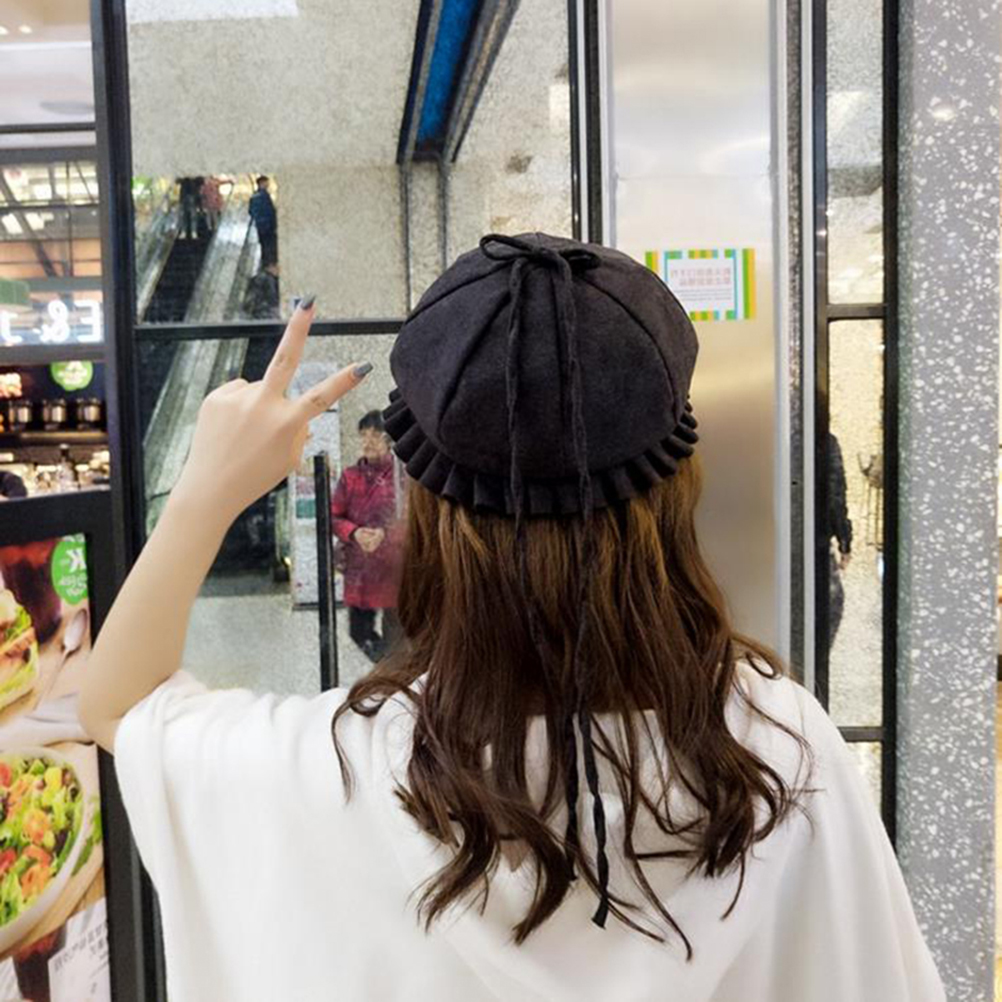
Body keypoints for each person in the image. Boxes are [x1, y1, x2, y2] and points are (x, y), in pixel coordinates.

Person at [77, 236, 944, 1001]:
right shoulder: (776, 751)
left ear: (427, 503)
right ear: (676, 483)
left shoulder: (339, 769)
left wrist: (206, 489)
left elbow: (116, 705)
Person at [331, 410, 403, 663]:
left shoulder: (402, 477)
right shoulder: (350, 477)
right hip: (361, 570)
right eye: (363, 435)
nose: (368, 441)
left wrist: (385, 534)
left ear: (389, 440)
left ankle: (394, 673)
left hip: (395, 569)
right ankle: (388, 669)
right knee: (359, 632)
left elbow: (414, 520)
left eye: (375, 435)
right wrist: (354, 532)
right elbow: (334, 516)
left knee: (398, 635)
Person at [826, 430, 853, 652]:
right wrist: (845, 541)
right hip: (815, 546)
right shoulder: (824, 441)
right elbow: (836, 495)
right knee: (831, 605)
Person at [248, 174, 277, 267]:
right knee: (269, 245)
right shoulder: (262, 196)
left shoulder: (256, 196)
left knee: (264, 245)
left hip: (261, 226)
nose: (268, 184)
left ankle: (266, 263)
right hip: (267, 225)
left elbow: (251, 211)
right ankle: (269, 264)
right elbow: (270, 211)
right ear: (261, 183)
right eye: (266, 182)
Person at [177, 176, 201, 240]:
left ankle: (192, 231)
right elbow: (177, 180)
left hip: (192, 197)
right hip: (184, 197)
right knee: (183, 216)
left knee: (192, 216)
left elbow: (201, 181)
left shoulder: (195, 178)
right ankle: (185, 232)